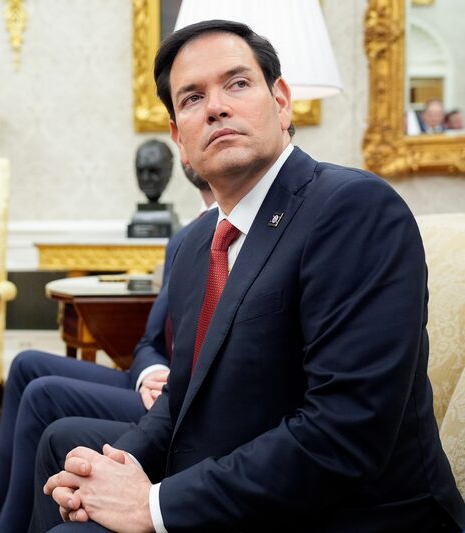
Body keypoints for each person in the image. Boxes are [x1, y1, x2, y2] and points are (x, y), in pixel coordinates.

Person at [36, 20, 465, 532]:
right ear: (179, 138)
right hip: (235, 485)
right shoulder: (198, 245)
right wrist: (112, 473)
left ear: (281, 102)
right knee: (70, 471)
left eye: (237, 83)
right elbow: (180, 401)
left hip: (348, 515)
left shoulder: (353, 209)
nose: (216, 106)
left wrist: (152, 506)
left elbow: (343, 434)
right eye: (192, 98)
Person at [0, 165, 216, 533]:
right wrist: (152, 373)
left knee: (43, 397)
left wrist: (173, 383)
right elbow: (149, 342)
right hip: (152, 384)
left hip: (179, 400)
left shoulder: (249, 235)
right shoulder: (184, 238)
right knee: (25, 365)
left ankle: (0, 521)